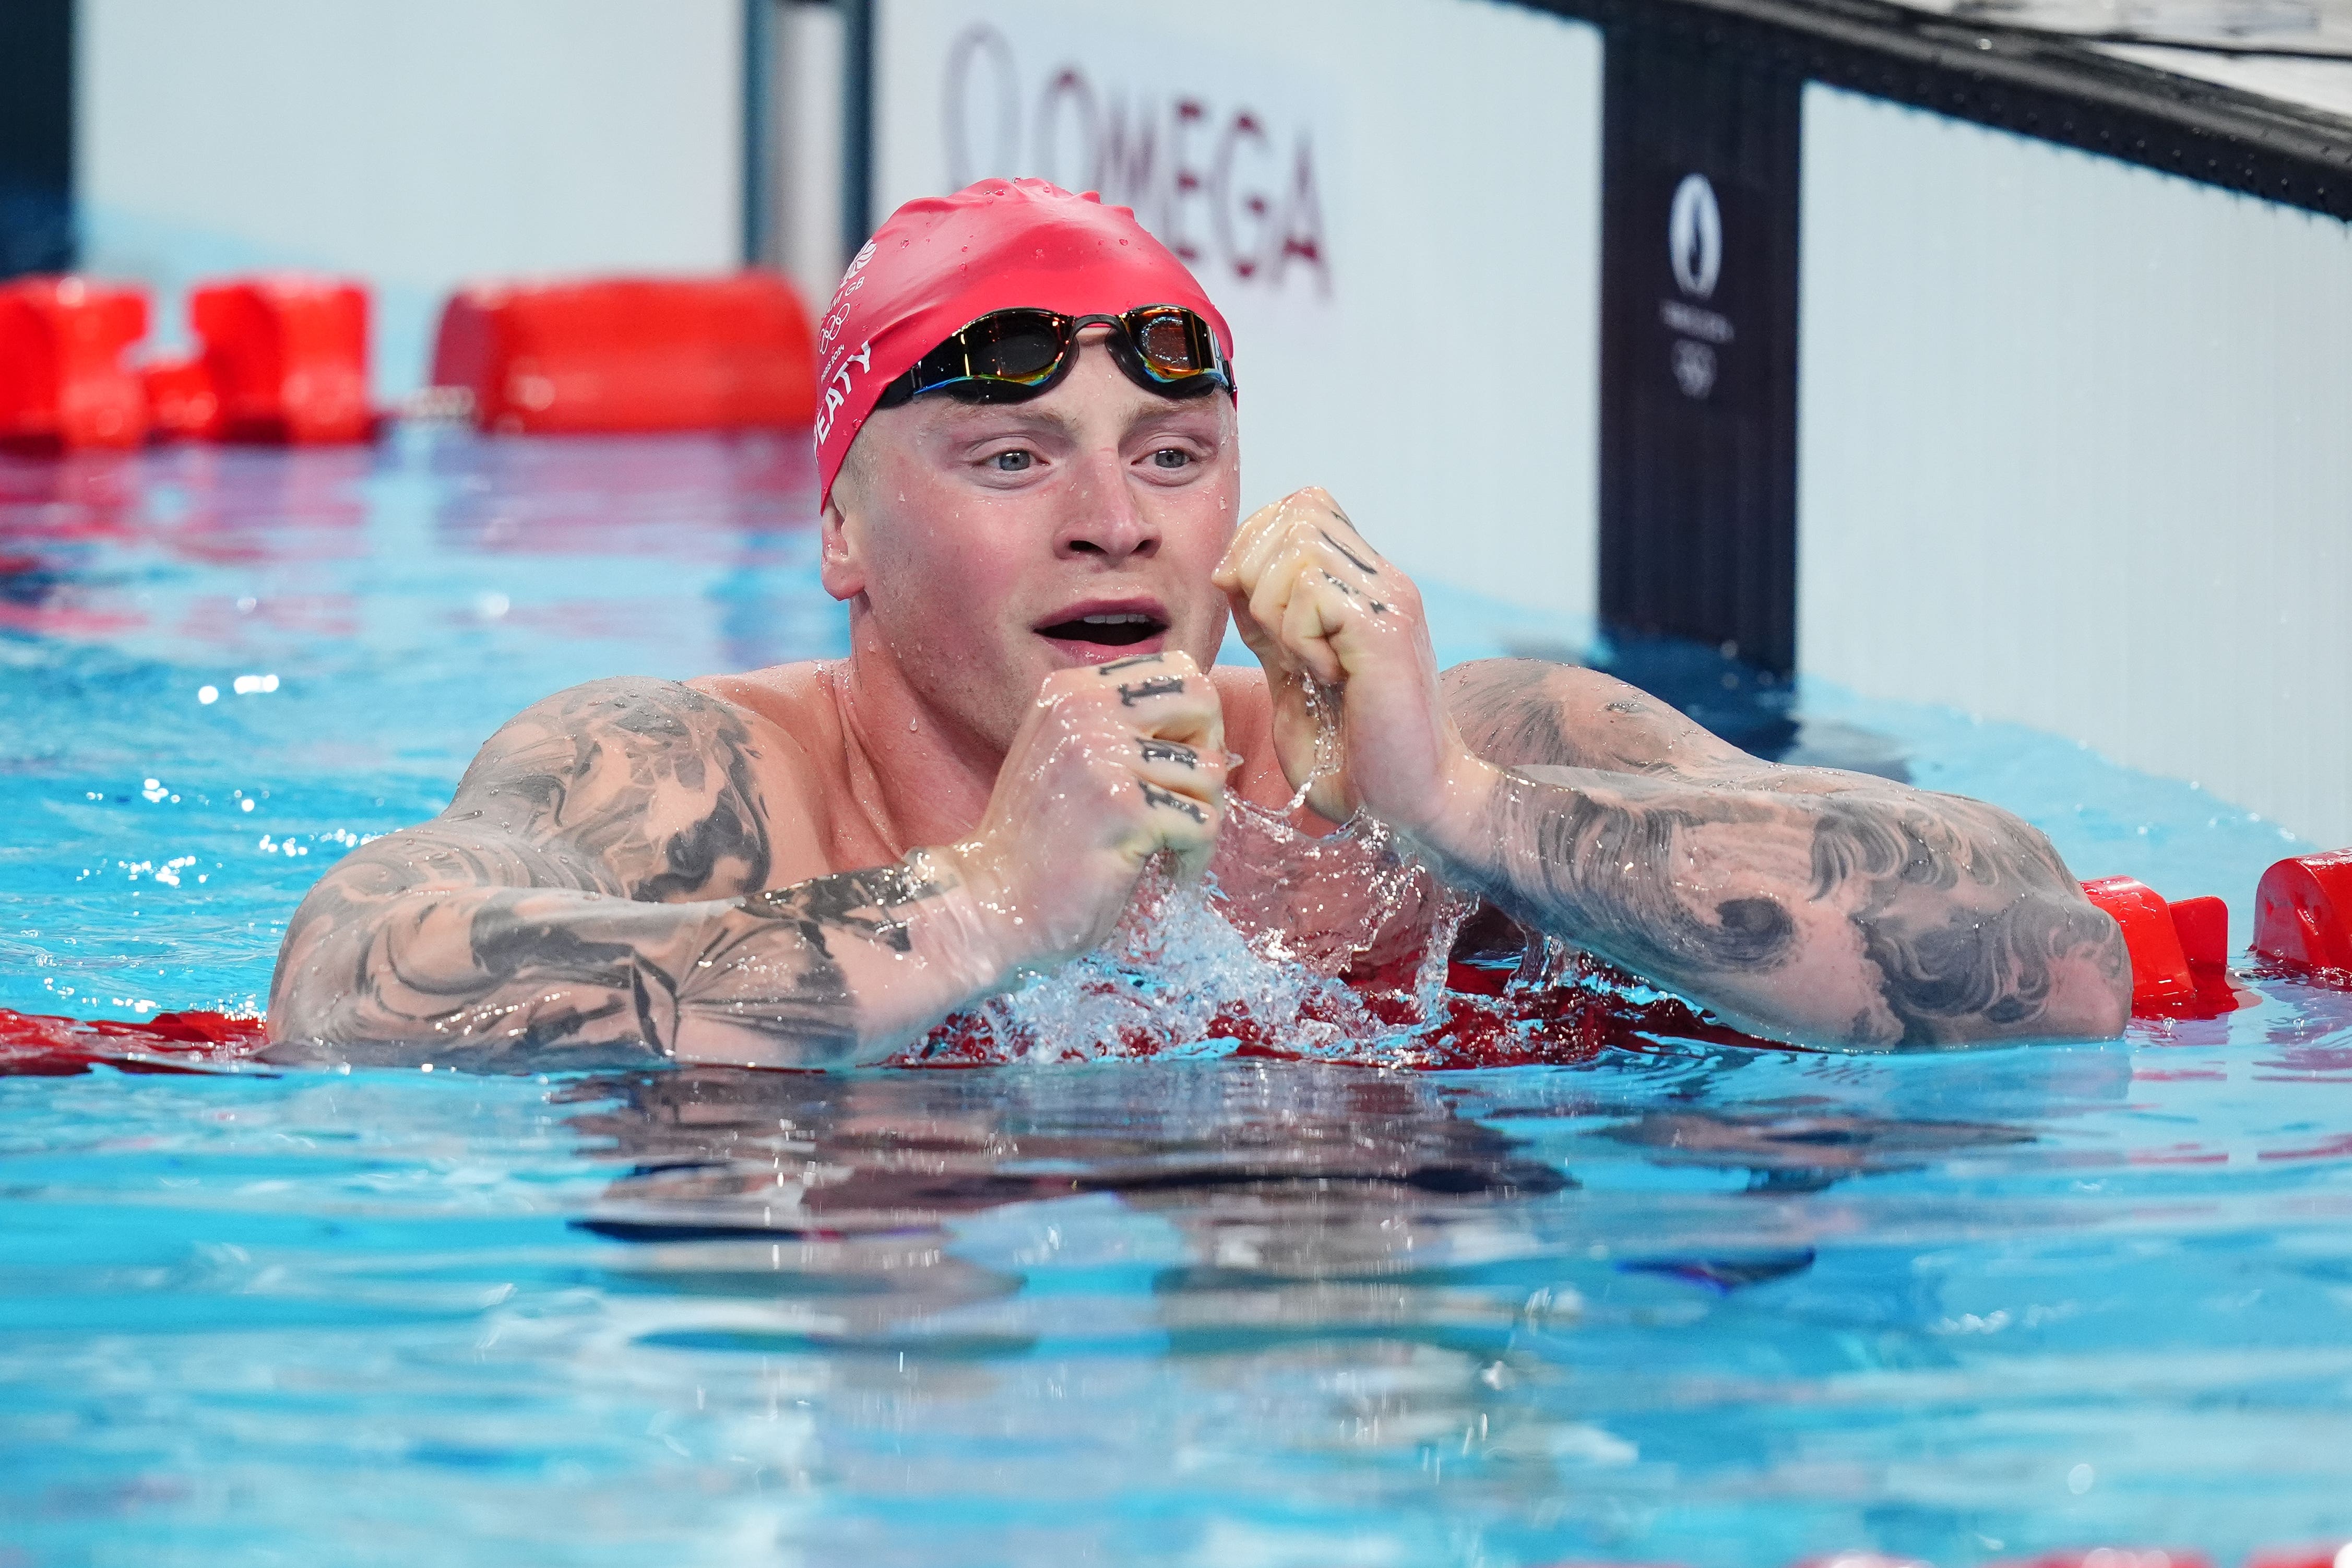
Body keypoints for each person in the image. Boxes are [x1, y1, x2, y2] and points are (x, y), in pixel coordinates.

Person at [264, 180, 2129, 1066]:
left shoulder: (1431, 756)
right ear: (837, 524)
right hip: (877, 1376)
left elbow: (2059, 966)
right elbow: (345, 984)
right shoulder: (692, 775)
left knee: (1332, 1254)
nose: (1112, 518)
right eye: (1011, 457)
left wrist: (1465, 805)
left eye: (1172, 451)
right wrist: (986, 906)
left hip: (1331, 1422)